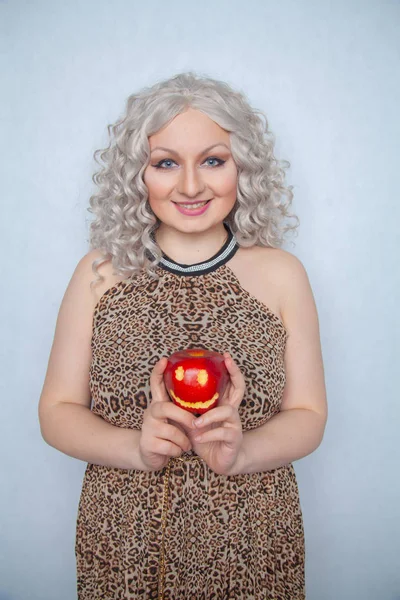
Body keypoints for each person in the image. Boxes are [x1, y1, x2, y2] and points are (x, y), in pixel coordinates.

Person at [38, 71, 327, 600]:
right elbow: (56, 410)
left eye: (213, 160)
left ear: (243, 168)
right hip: (125, 537)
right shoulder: (98, 274)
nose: (190, 186)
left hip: (252, 537)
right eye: (166, 162)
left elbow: (308, 417)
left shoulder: (282, 274)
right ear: (136, 174)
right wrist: (135, 448)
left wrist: (243, 454)